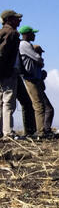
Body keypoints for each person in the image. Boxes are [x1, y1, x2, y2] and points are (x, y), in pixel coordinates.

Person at [17, 26, 54, 136]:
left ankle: (40, 130)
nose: (34, 35)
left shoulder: (25, 45)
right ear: (27, 34)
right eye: (32, 33)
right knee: (39, 106)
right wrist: (40, 61)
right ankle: (40, 131)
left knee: (39, 105)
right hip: (30, 78)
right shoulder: (24, 45)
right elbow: (38, 58)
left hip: (33, 78)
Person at [0, 10, 22, 138]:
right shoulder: (11, 33)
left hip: (2, 73)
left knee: (1, 102)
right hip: (7, 73)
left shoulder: (2, 32)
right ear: (9, 20)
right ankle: (8, 132)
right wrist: (6, 71)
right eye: (16, 18)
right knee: (8, 102)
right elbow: (2, 54)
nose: (19, 20)